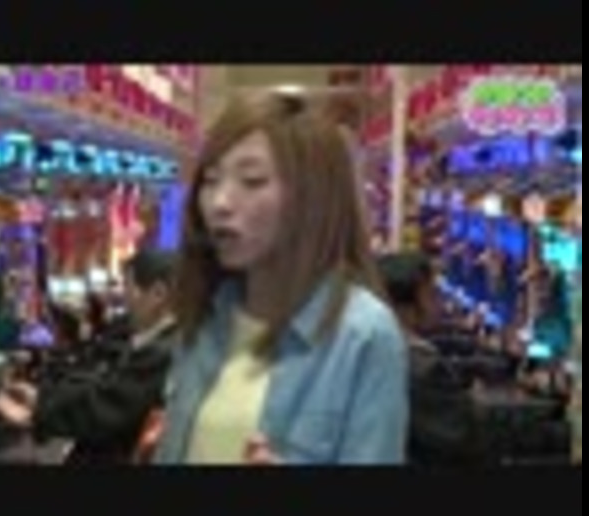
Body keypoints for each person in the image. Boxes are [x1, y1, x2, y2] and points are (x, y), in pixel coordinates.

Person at [154, 95, 409, 465]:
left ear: (312, 198)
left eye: (252, 181)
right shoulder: (206, 315)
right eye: (211, 180)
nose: (219, 202)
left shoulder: (364, 335)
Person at [0, 248, 178, 464]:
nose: (122, 298)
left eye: (127, 287)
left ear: (158, 294)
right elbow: (100, 385)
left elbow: (104, 408)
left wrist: (38, 413)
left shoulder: (161, 352)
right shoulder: (155, 340)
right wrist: (42, 399)